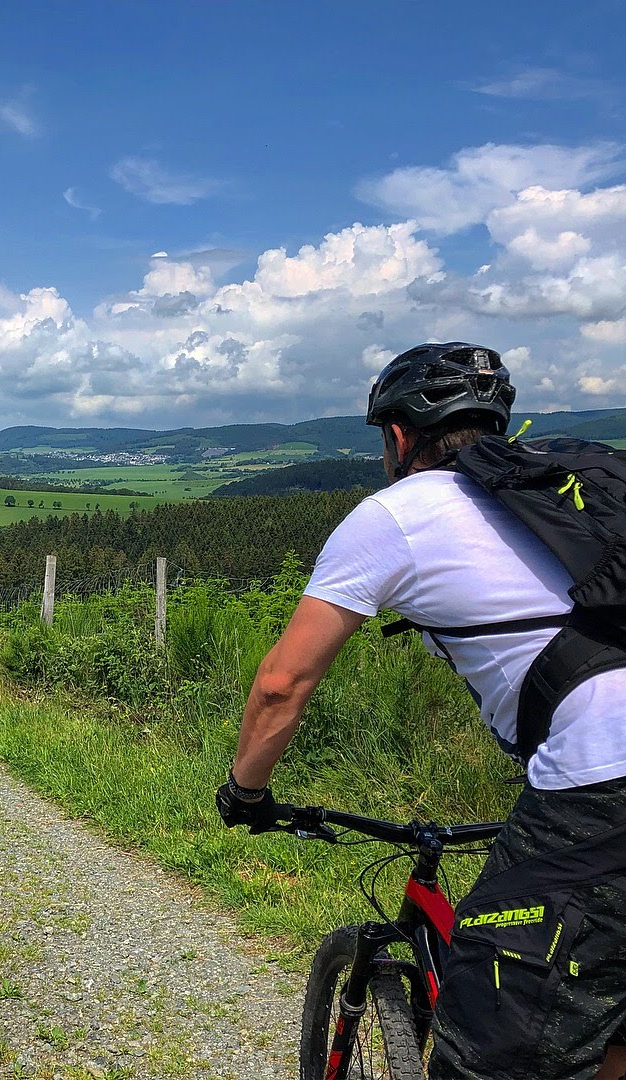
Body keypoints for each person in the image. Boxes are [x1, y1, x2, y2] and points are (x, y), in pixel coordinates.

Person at [215, 342, 626, 1080]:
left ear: (398, 436)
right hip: (595, 774)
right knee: (602, 1013)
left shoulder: (397, 515)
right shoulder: (566, 496)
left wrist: (245, 791)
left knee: (495, 1033)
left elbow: (282, 682)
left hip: (602, 780)